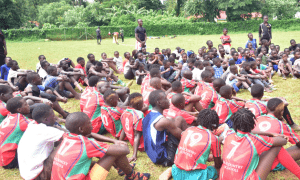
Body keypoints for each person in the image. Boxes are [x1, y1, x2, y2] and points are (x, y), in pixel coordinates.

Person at [51, 112, 150, 180]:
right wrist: (119, 144)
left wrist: (113, 141)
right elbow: (124, 150)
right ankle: (132, 176)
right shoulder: (86, 143)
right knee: (114, 152)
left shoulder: (67, 136)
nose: (92, 125)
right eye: (89, 123)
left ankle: (121, 168)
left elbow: (90, 135)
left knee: (101, 154)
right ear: (81, 129)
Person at [220, 108, 292, 180]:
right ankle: (278, 165)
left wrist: (269, 133)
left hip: (224, 177)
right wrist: (274, 135)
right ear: (252, 125)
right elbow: (283, 141)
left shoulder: (228, 134)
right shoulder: (255, 140)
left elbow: (244, 132)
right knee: (275, 146)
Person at [18, 104, 66, 180]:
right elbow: (69, 137)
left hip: (27, 173)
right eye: (53, 117)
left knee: (59, 140)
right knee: (65, 142)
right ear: (46, 120)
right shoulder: (44, 130)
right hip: (36, 176)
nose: (55, 119)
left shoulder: (33, 124)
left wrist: (56, 126)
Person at [170, 109, 222, 180]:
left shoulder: (189, 130)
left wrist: (205, 157)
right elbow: (218, 164)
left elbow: (191, 151)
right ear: (214, 125)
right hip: (196, 177)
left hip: (176, 172)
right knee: (218, 169)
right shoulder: (213, 138)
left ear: (199, 120)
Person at [143, 90, 188, 167]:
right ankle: (189, 151)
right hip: (163, 157)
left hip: (152, 153)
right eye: (165, 98)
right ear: (159, 103)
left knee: (179, 119)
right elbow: (183, 136)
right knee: (184, 135)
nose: (168, 100)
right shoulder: (163, 121)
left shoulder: (148, 116)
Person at [0, 97, 32, 169]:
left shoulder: (9, 116)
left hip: (2, 157)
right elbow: (39, 126)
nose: (28, 105)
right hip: (10, 161)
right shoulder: (22, 122)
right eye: (26, 104)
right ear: (19, 110)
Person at [120, 93, 145, 162]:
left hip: (131, 141)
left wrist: (119, 142)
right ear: (139, 105)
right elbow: (137, 135)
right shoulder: (139, 115)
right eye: (143, 103)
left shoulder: (124, 112)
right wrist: (134, 155)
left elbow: (124, 129)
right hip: (142, 145)